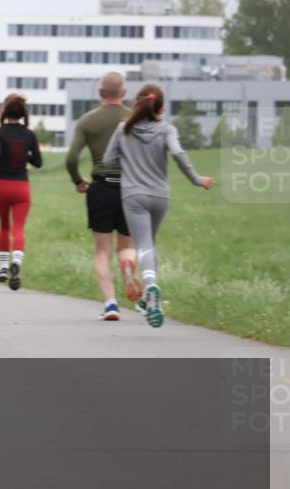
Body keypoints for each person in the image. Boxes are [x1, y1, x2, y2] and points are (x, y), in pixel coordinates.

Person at [102, 83, 213, 328]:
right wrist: (197, 179)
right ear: (160, 107)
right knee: (149, 243)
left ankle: (150, 285)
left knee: (143, 244)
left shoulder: (123, 129)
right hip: (160, 196)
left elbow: (108, 160)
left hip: (133, 195)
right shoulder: (166, 130)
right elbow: (178, 154)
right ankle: (150, 298)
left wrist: (129, 157)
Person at [65, 72, 140, 321]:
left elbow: (72, 158)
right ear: (124, 93)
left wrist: (78, 181)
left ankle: (110, 304)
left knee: (102, 251)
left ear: (100, 93)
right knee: (127, 246)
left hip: (101, 188)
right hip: (130, 187)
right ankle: (129, 270)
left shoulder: (88, 121)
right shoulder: (135, 119)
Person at [0, 94, 42, 291]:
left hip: (1, 185)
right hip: (21, 188)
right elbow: (38, 162)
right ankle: (16, 262)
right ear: (23, 113)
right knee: (18, 228)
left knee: (3, 226)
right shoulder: (29, 135)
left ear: (4, 112)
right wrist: (24, 151)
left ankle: (2, 268)